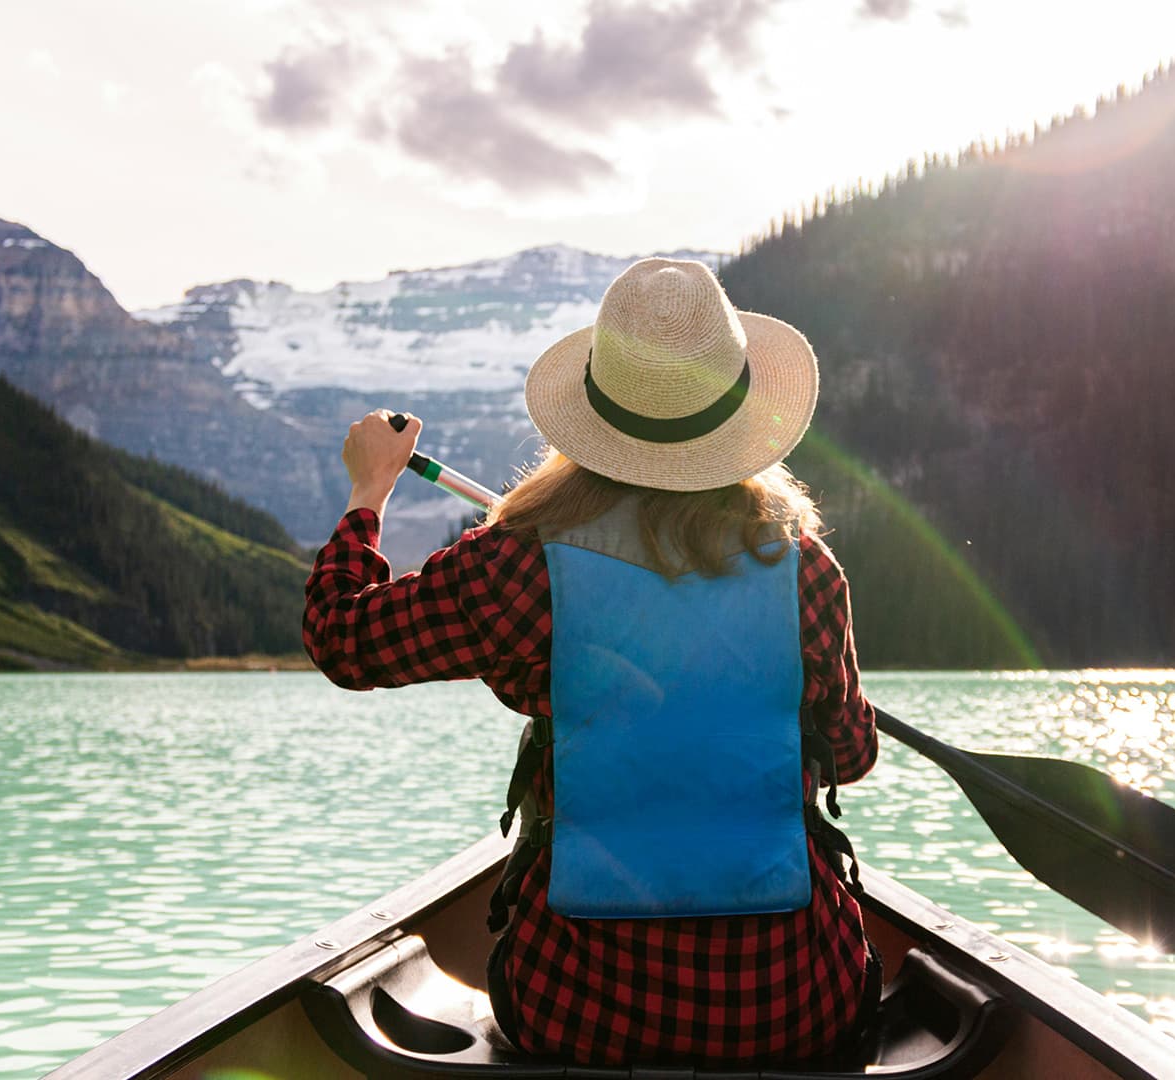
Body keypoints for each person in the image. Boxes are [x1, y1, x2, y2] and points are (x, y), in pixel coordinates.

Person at [303, 257, 879, 1068]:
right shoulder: (807, 571)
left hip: (580, 1008)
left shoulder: (513, 564)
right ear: (738, 416)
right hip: (795, 1000)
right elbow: (850, 758)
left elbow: (342, 638)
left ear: (594, 418)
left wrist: (370, 492)